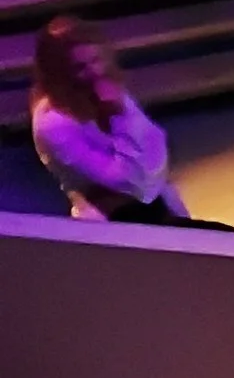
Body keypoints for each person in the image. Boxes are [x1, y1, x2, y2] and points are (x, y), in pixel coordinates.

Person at [26, 17, 192, 224]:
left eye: (96, 60)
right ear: (60, 74)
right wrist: (119, 116)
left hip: (151, 203)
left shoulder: (107, 89)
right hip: (113, 220)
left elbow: (155, 145)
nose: (95, 72)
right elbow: (132, 183)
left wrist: (121, 113)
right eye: (80, 67)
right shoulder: (53, 125)